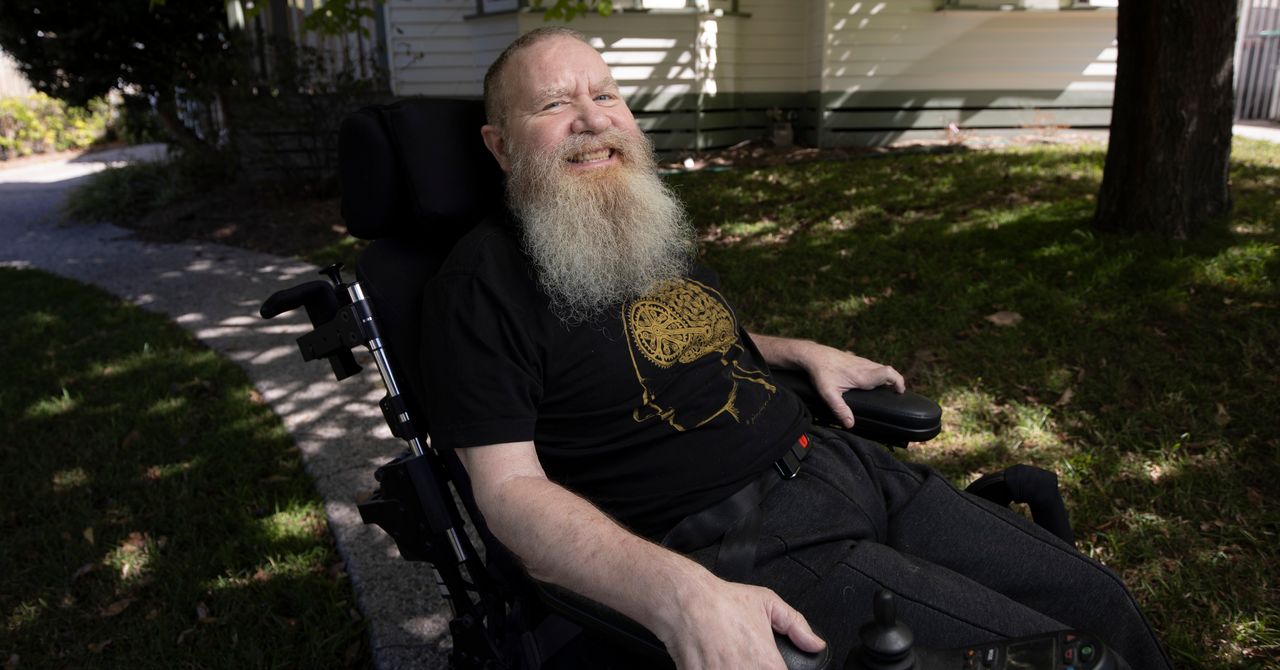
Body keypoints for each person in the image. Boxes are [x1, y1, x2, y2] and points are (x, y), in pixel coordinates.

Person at [422, 26, 1171, 670]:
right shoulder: (480, 287)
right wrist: (678, 593)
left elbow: (662, 338)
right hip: (741, 544)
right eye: (554, 105)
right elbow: (509, 492)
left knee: (1100, 601)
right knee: (1069, 659)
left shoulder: (628, 218)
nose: (592, 119)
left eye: (605, 94)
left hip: (842, 464)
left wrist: (791, 349)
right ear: (500, 145)